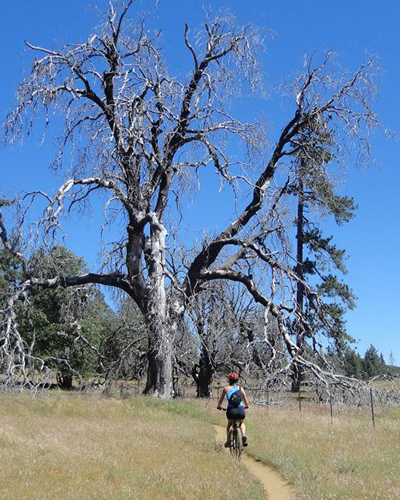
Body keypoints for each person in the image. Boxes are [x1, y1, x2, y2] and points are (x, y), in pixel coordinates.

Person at [217, 372, 249, 447]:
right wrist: (246, 406)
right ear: (237, 380)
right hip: (241, 410)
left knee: (230, 424)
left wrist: (219, 406)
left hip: (231, 410)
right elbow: (246, 402)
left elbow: (220, 400)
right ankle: (243, 434)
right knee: (241, 423)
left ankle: (228, 440)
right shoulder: (241, 389)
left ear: (229, 380)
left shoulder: (226, 388)